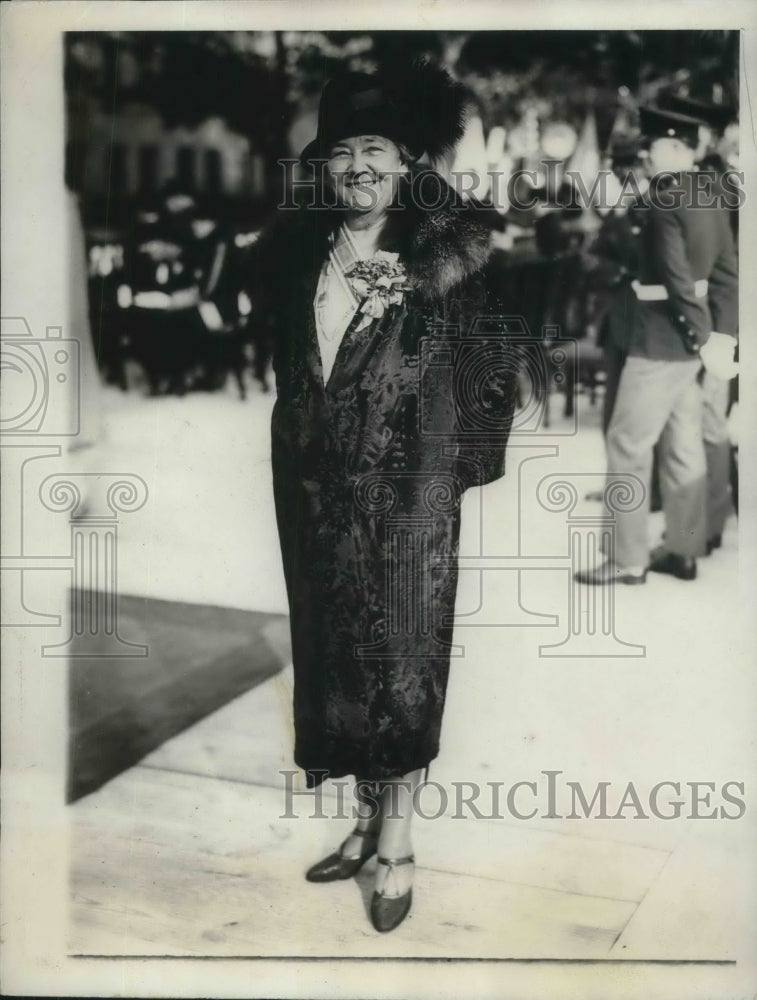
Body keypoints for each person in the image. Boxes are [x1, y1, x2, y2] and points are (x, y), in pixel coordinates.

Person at [251, 60, 516, 933]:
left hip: (407, 500)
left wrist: (446, 480)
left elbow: (494, 373)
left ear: (406, 162)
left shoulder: (449, 253)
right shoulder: (299, 251)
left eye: (375, 149)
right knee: (333, 655)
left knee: (400, 666)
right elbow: (297, 366)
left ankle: (396, 843)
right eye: (340, 152)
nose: (357, 166)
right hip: (315, 491)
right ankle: (366, 821)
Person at [575, 106, 738, 586]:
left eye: (656, 146)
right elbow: (727, 277)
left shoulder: (664, 199)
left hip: (660, 340)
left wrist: (699, 335)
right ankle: (684, 549)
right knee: (684, 447)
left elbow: (676, 279)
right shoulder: (711, 196)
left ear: (679, 151)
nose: (647, 152)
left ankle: (626, 560)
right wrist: (718, 338)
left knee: (627, 446)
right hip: (691, 344)